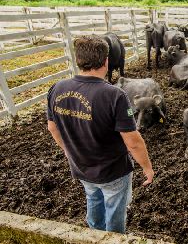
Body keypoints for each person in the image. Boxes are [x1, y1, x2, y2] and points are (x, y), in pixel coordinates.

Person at [47, 35, 154, 234]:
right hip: (112, 171)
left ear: (77, 60)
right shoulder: (115, 95)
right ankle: (112, 237)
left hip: (80, 166)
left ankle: (94, 233)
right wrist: (147, 167)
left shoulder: (57, 88)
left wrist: (69, 151)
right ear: (106, 61)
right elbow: (133, 142)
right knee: (114, 210)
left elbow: (52, 128)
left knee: (93, 196)